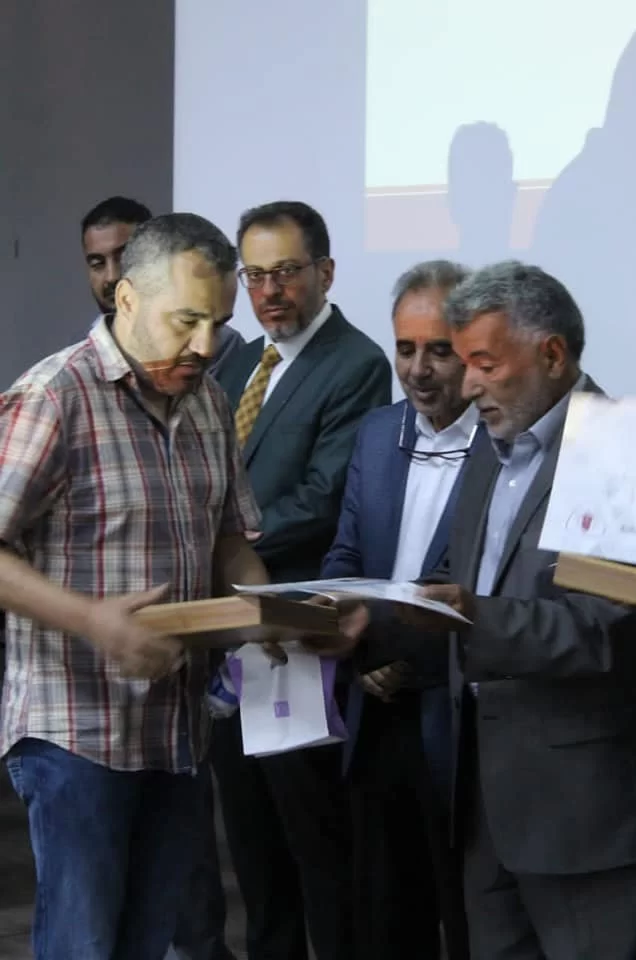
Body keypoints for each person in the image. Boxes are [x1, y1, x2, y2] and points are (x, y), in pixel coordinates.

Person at [0, 213, 270, 960]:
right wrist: (95, 621)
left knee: (150, 944)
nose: (206, 346)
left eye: (219, 323)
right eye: (186, 321)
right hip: (75, 732)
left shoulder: (209, 403)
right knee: (84, 946)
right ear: (126, 298)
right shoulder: (55, 395)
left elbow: (229, 539)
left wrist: (270, 613)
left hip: (177, 730)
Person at [411, 261, 636, 959]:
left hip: (579, 812)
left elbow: (607, 631)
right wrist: (371, 617)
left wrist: (474, 619)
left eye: (485, 364)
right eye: (464, 364)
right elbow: (459, 573)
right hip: (481, 798)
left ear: (553, 354)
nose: (467, 385)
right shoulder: (490, 447)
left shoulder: (619, 449)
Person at [213, 200, 392, 960]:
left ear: (326, 272)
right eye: (254, 275)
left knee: (315, 843)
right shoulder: (235, 362)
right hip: (228, 630)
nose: (269, 292)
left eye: (286, 272)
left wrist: (218, 542)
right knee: (252, 848)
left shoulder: (356, 363)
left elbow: (324, 498)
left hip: (298, 630)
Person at [321, 260, 473, 960]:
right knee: (385, 918)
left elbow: (498, 587)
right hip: (374, 710)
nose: (417, 369)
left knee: (467, 917)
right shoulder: (379, 432)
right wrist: (348, 637)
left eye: (439, 350)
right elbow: (345, 557)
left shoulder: (505, 445)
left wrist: (403, 653)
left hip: (460, 719)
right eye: (405, 348)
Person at [81, 196, 244, 376]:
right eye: (97, 264)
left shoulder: (223, 346)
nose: (112, 276)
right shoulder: (71, 368)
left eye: (124, 258)